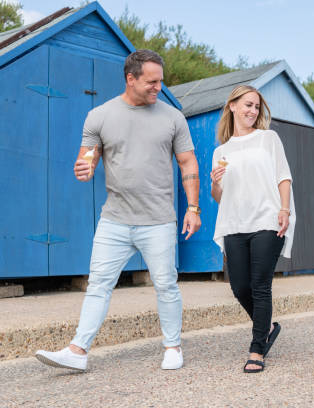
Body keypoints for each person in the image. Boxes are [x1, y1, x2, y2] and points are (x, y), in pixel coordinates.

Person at [35, 49, 201, 371]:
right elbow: (88, 158)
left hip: (158, 220)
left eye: (160, 81)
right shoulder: (99, 116)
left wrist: (192, 207)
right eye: (151, 82)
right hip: (115, 219)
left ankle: (172, 347)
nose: (158, 87)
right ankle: (77, 352)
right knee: (98, 283)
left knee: (166, 284)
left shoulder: (172, 118)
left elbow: (187, 162)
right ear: (131, 78)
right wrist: (84, 168)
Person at [210, 85, 295, 373]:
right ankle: (268, 327)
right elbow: (221, 197)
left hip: (267, 219)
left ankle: (257, 349)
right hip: (234, 222)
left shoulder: (268, 139)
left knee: (260, 286)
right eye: (247, 105)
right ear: (232, 106)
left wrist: (284, 210)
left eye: (256, 106)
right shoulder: (221, 151)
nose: (252, 111)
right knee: (239, 287)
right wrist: (215, 183)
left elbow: (284, 176)